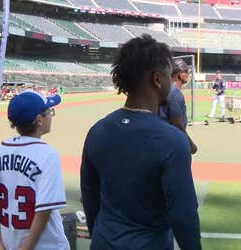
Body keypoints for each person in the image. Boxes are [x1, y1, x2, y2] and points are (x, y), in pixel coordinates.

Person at [80, 35, 201, 250]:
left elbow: (90, 198)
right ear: (157, 79)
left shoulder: (97, 131)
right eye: (167, 72)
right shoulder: (173, 141)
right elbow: (184, 215)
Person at [0, 90, 70, 250]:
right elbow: (44, 211)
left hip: (8, 244)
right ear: (39, 120)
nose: (51, 114)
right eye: (49, 111)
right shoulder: (48, 155)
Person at [159, 58, 197, 154]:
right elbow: (177, 124)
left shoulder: (165, 90)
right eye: (186, 72)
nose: (188, 75)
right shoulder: (175, 94)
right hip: (171, 144)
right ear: (180, 74)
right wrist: (190, 144)